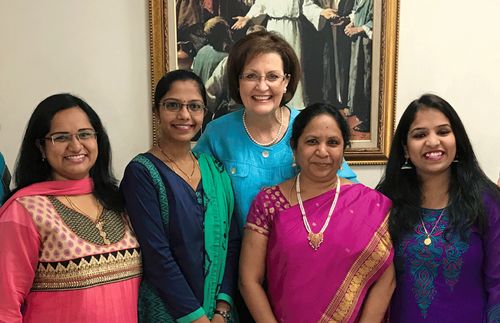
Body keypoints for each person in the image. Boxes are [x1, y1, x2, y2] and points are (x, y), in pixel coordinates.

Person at [240, 103, 395, 322]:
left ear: (343, 150)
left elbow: (386, 277)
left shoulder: (371, 205)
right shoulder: (268, 203)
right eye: (312, 141)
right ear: (295, 147)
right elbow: (249, 280)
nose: (322, 151)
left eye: (333, 143)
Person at [195, 30, 357, 235]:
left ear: (286, 81)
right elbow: (194, 199)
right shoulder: (218, 134)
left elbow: (350, 193)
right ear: (238, 81)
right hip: (237, 260)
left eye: (272, 76)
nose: (262, 86)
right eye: (251, 76)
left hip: (304, 258)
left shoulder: (310, 126)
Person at [0, 94, 142, 322]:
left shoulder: (118, 202)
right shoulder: (25, 210)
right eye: (61, 137)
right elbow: (4, 307)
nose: (76, 145)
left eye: (85, 134)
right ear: (41, 147)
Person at [121, 70, 239, 323]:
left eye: (194, 106)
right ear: (156, 111)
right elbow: (157, 254)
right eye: (173, 105)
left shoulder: (214, 169)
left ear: (204, 113)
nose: (184, 115)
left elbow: (232, 243)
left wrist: (222, 308)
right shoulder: (141, 173)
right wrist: (196, 318)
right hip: (166, 312)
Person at [376, 94, 500, 322]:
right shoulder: (385, 203)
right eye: (420, 134)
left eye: (443, 132)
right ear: (405, 148)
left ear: (457, 141)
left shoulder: (487, 202)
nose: (433, 142)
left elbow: (498, 283)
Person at [345, 0, 373, 132]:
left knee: (367, 77)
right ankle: (358, 110)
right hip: (358, 41)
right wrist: (352, 23)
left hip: (368, 41)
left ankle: (368, 120)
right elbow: (357, 10)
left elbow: (377, 19)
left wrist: (358, 29)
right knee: (356, 73)